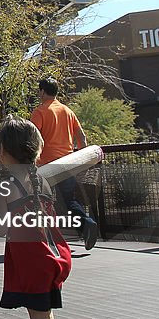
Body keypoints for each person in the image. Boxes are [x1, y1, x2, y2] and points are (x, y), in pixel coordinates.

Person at [0, 116, 97, 319]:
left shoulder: (5, 186)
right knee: (40, 311)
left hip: (33, 260)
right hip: (54, 255)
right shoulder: (43, 180)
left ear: (3, 152)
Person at [30, 78, 99, 250]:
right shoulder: (67, 111)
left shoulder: (40, 112)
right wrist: (82, 159)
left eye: (39, 91)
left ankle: (43, 239)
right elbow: (81, 137)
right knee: (69, 200)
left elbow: (33, 139)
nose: (38, 94)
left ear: (43, 92)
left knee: (38, 200)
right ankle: (86, 223)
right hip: (68, 162)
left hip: (46, 166)